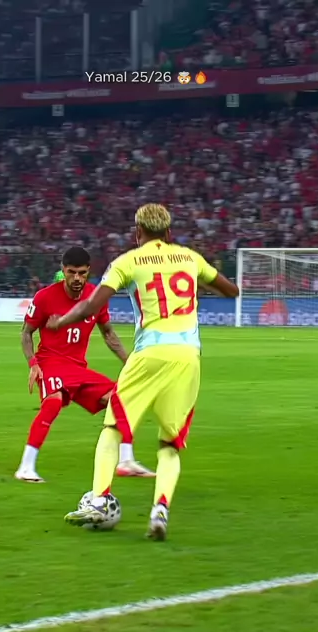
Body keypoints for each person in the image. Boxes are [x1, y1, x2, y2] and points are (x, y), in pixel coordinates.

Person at [47, 205, 239, 539]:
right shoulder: (190, 258)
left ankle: (99, 499)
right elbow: (231, 291)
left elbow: (93, 305)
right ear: (169, 232)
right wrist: (197, 286)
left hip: (149, 352)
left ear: (138, 232)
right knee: (169, 444)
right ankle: (160, 510)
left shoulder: (128, 261)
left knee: (113, 425)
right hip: (188, 357)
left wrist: (61, 321)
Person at [15, 246, 155, 483]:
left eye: (82, 273)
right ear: (63, 270)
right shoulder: (45, 297)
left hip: (78, 368)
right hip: (51, 362)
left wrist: (129, 362)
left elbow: (108, 333)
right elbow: (26, 333)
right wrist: (33, 363)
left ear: (89, 271)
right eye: (72, 272)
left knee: (119, 398)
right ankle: (26, 467)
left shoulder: (95, 297)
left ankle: (126, 460)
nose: (77, 278)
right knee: (53, 402)